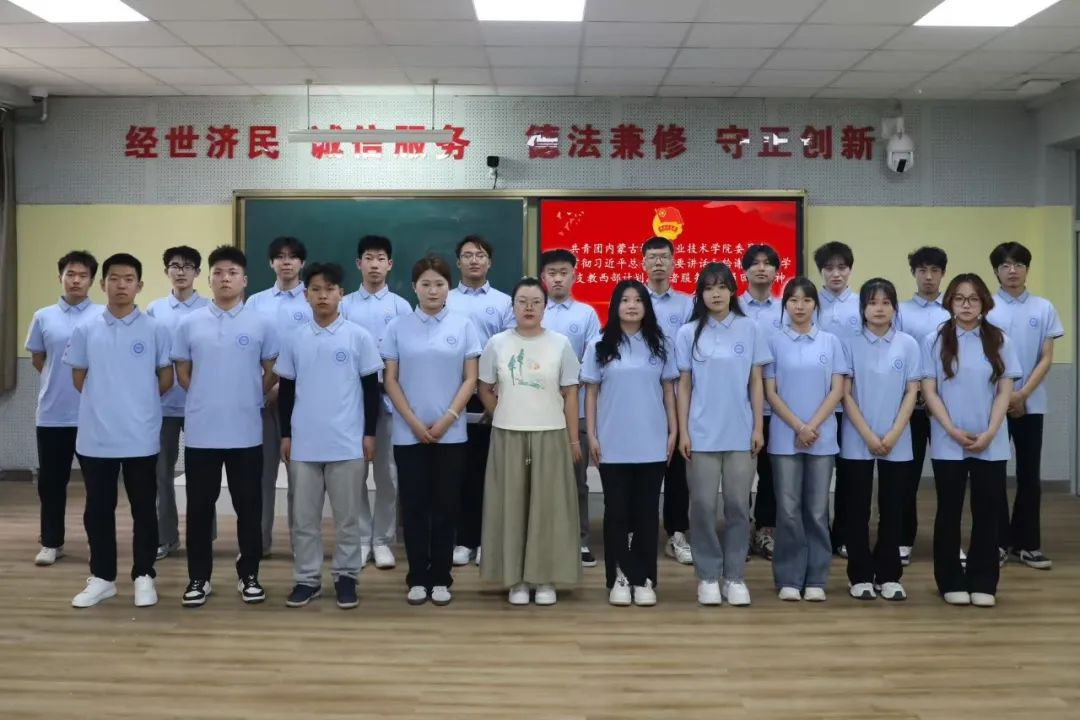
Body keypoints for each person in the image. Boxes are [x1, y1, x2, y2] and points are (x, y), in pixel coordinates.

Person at [63, 253, 173, 608]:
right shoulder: (86, 329)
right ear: (103, 284)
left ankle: (144, 575)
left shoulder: (155, 329)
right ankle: (102, 577)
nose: (121, 285)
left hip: (140, 436)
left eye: (128, 279)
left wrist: (138, 403)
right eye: (114, 278)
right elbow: (79, 377)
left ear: (139, 286)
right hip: (96, 437)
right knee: (97, 509)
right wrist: (106, 402)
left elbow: (166, 378)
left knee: (144, 509)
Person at [172, 246, 278, 608]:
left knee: (249, 507)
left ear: (244, 280)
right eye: (218, 272)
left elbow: (271, 371)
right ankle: (198, 578)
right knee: (200, 508)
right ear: (209, 279)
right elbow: (183, 372)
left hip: (245, 431)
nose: (225, 278)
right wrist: (207, 395)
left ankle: (249, 575)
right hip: (202, 431)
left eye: (232, 273)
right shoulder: (190, 323)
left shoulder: (261, 323)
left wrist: (248, 394)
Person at [275, 262, 383, 610]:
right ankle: (306, 579)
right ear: (306, 295)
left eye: (330, 289)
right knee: (304, 519)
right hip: (304, 443)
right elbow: (286, 391)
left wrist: (369, 434)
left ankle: (346, 577)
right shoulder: (295, 338)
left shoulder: (358, 336)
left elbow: (371, 390)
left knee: (347, 519)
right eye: (316, 290)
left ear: (341, 294)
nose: (323, 295)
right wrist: (285, 435)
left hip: (347, 442)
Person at [383, 255, 481, 606]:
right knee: (413, 507)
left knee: (445, 506)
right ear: (414, 287)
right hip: (407, 434)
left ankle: (441, 577)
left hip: (451, 435)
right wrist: (412, 421)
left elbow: (470, 378)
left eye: (439, 284)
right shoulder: (397, 327)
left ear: (448, 288)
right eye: (425, 284)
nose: (433, 290)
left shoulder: (463, 325)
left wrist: (448, 419)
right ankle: (417, 577)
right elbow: (390, 380)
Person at [478, 277, 582, 606]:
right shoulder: (497, 343)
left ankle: (545, 577)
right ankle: (517, 580)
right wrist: (501, 412)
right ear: (512, 306)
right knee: (511, 506)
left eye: (536, 302)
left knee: (547, 509)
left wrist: (573, 440)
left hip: (550, 433)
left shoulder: (560, 344)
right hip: (508, 434)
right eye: (522, 301)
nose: (528, 307)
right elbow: (484, 388)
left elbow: (570, 394)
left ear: (545, 307)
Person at [921, 273, 1021, 608]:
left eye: (973, 299)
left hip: (990, 440)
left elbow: (1004, 391)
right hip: (948, 440)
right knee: (949, 511)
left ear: (984, 303)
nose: (966, 305)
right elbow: (929, 391)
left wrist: (991, 431)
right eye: (960, 298)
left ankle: (984, 581)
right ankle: (950, 580)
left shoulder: (1000, 340)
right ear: (950, 301)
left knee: (988, 511)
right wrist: (950, 429)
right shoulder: (935, 339)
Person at [677, 264, 769, 607]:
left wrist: (758, 427)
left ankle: (734, 576)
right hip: (701, 434)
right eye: (708, 288)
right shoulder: (688, 332)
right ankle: (707, 576)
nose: (715, 294)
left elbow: (756, 382)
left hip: (740, 432)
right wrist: (684, 431)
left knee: (737, 506)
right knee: (702, 506)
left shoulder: (750, 328)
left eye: (721, 287)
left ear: (733, 290)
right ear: (700, 294)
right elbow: (684, 385)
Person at [583, 279, 677, 607]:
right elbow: (591, 394)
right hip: (613, 442)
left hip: (652, 441)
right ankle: (619, 577)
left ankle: (645, 578)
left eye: (638, 300)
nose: (632, 305)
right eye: (625, 300)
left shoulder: (661, 344)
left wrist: (673, 431)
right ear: (615, 306)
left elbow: (668, 391)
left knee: (647, 514)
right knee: (617, 513)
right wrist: (592, 434)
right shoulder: (599, 345)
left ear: (646, 307)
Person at [764, 277, 846, 602]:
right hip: (785, 438)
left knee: (816, 510)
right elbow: (770, 392)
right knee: (787, 510)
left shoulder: (830, 342)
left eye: (807, 300)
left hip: (821, 438)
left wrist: (811, 426)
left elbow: (837, 390)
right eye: (793, 300)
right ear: (785, 305)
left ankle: (816, 578)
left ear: (815, 305)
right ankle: (789, 576)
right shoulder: (773, 341)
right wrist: (799, 426)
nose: (800, 306)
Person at [839, 278, 920, 602]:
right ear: (862, 309)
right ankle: (859, 575)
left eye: (886, 303)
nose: (879, 309)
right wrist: (869, 435)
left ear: (895, 308)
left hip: (897, 438)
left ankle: (889, 575)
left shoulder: (907, 344)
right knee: (856, 509)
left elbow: (912, 391)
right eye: (872, 303)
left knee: (893, 508)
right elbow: (845, 394)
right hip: (857, 437)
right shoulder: (849, 344)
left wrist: (894, 433)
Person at [986, 242, 1064, 571]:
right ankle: (998, 542)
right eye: (1005, 265)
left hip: (1031, 403)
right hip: (994, 405)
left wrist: (1022, 395)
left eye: (1018, 264)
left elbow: (1046, 358)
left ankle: (1028, 544)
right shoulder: (986, 307)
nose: (1012, 270)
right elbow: (983, 357)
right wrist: (1006, 397)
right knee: (993, 476)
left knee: (1030, 476)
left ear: (1027, 269)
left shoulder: (1043, 307)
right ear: (996, 271)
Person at [25, 250, 104, 566]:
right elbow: (38, 359)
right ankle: (51, 542)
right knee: (51, 484)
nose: (76, 280)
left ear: (92, 281)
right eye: (70, 274)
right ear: (60, 277)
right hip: (53, 414)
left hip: (93, 414)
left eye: (83, 275)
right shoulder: (43, 316)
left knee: (97, 485)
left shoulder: (103, 315)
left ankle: (97, 542)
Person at [341, 235, 412, 570]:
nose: (374, 264)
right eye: (368, 258)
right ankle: (360, 538)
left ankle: (382, 540)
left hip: (390, 403)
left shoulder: (401, 307)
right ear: (359, 263)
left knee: (388, 475)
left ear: (390, 264)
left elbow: (409, 356)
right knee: (354, 474)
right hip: (351, 403)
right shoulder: (344, 305)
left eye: (380, 258)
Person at [445, 234, 514, 567]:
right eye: (468, 255)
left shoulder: (504, 302)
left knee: (491, 471)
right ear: (458, 261)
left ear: (490, 262)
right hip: (452, 396)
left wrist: (496, 396)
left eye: (481, 255)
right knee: (457, 472)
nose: (474, 260)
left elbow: (510, 349)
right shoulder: (444, 298)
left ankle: (489, 539)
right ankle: (464, 539)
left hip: (491, 396)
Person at [247, 236, 312, 557]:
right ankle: (258, 542)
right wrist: (266, 385)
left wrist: (284, 386)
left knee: (300, 477)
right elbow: (247, 351)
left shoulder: (314, 299)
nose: (286, 262)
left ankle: (301, 544)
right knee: (261, 476)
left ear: (302, 263)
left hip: (302, 402)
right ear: (270, 263)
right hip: (262, 399)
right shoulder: (255, 302)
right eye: (280, 257)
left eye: (293, 257)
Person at [540, 248, 602, 567]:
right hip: (537, 412)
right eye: (551, 273)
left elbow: (592, 362)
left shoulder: (586, 314)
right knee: (540, 480)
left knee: (576, 481)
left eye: (563, 272)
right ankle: (544, 539)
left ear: (574, 276)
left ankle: (580, 540)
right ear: (543, 277)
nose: (557, 278)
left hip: (574, 412)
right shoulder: (533, 310)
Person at [146, 245, 208, 561]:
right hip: (163, 405)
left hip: (201, 405)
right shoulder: (154, 310)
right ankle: (165, 537)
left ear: (197, 272)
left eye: (187, 266)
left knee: (202, 476)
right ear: (166, 271)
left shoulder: (210, 308)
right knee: (161, 475)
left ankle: (203, 536)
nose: (180, 271)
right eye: (174, 265)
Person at [895, 246, 951, 566]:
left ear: (943, 274)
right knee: (907, 476)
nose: (928, 277)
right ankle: (903, 538)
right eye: (922, 270)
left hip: (945, 408)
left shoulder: (954, 310)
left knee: (949, 477)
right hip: (913, 407)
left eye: (934, 271)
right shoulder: (901, 312)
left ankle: (949, 542)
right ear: (914, 274)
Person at [641, 236, 694, 565]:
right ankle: (639, 530)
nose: (658, 262)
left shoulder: (687, 304)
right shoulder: (633, 299)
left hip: (679, 396)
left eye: (664, 257)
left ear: (674, 263)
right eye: (652, 257)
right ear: (643, 263)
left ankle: (676, 533)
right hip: (642, 398)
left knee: (678, 471)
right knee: (644, 467)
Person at [813, 241, 860, 559]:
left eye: (842, 267)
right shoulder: (808, 301)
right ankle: (816, 534)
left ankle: (844, 533)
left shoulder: (863, 303)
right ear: (821, 271)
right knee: (818, 473)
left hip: (855, 403)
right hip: (819, 404)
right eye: (829, 268)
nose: (836, 273)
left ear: (850, 269)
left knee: (849, 473)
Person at [739, 244, 784, 561]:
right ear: (744, 271)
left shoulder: (785, 309)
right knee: (740, 474)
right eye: (754, 263)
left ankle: (766, 530)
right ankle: (739, 531)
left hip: (776, 406)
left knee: (771, 474)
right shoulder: (732, 308)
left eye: (767, 263)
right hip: (739, 405)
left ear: (776, 272)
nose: (761, 268)